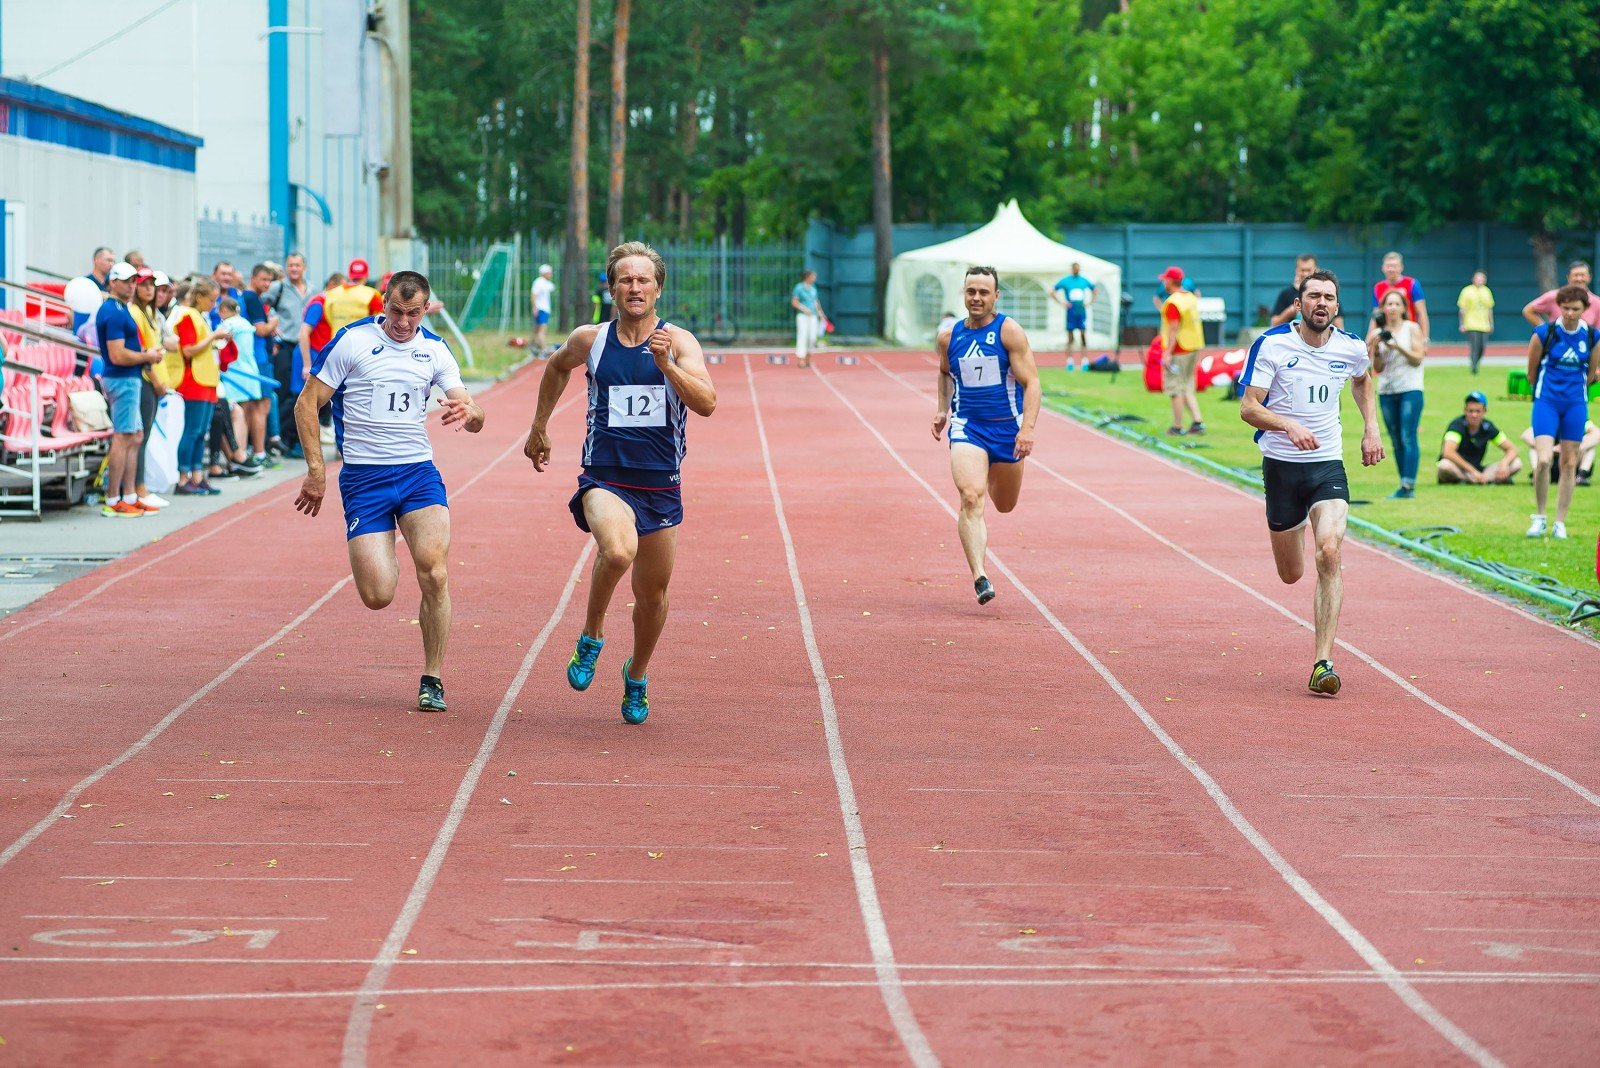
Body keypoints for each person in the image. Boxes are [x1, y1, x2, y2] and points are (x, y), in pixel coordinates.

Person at [524, 241, 717, 724]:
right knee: (617, 550)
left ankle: (637, 673)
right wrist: (539, 427)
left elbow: (708, 402)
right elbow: (555, 367)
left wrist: (667, 367)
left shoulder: (679, 341)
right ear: (612, 288)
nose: (635, 287)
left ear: (658, 288)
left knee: (652, 597)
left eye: (643, 280)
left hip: (661, 484)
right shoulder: (592, 340)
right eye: (625, 279)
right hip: (604, 477)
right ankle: (591, 637)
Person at [294, 270, 485, 713]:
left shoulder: (434, 349)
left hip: (418, 474)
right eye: (396, 311)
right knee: (378, 595)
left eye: (412, 313)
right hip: (364, 479)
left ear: (426, 309)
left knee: (435, 573)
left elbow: (474, 413)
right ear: (383, 304)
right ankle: (384, 544)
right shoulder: (352, 342)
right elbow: (307, 403)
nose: (402, 322)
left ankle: (432, 678)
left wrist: (471, 412)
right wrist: (316, 472)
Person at [1239, 269, 1384, 696]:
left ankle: (1323, 662)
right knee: (1290, 574)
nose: (1321, 303)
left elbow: (1362, 380)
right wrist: (1287, 426)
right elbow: (1249, 408)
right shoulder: (1272, 345)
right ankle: (1297, 525)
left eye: (1329, 297)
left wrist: (1370, 428)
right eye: (1314, 296)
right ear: (1299, 303)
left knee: (1329, 551)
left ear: (1337, 306)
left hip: (1326, 464)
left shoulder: (1352, 347)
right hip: (1282, 468)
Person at [930, 265, 1041, 606]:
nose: (976, 298)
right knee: (970, 497)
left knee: (1005, 505)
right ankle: (980, 575)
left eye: (983, 292)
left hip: (1007, 429)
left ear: (996, 296)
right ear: (963, 294)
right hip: (968, 426)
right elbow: (944, 373)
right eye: (970, 291)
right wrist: (942, 409)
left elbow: (1032, 383)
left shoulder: (1008, 332)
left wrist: (1027, 430)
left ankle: (992, 468)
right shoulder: (949, 337)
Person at [1524, 284, 1600, 539]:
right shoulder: (1544, 333)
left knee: (1569, 463)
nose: (1569, 313)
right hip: (1547, 402)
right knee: (1544, 459)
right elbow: (1531, 372)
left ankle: (1560, 522)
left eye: (1575, 309)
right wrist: (1546, 393)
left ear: (1584, 310)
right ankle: (1540, 516)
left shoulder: (1592, 336)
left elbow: (1591, 375)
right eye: (1565, 308)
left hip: (1575, 404)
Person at [94, 262, 166, 517]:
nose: (131, 285)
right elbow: (117, 355)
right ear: (112, 282)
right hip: (122, 378)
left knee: (134, 436)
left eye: (133, 281)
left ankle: (129, 495)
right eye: (126, 281)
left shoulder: (120, 309)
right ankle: (113, 499)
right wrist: (146, 356)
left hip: (129, 378)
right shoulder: (113, 311)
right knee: (124, 436)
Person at [165, 279, 226, 495]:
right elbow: (188, 350)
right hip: (194, 380)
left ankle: (197, 476)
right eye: (211, 299)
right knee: (192, 431)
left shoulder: (200, 317)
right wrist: (214, 336)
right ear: (199, 297)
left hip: (206, 379)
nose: (214, 304)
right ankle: (183, 478)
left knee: (201, 432)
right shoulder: (187, 316)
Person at [1367, 289, 1427, 498]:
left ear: (1404, 308)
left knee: (1408, 435)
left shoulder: (1412, 328)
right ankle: (1403, 484)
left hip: (1410, 388)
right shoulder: (1377, 333)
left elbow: (1418, 358)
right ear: (1383, 308)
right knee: (1395, 438)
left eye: (1396, 304)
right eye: (1388, 304)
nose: (1392, 308)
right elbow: (1377, 367)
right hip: (1387, 391)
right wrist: (1376, 349)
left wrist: (1396, 346)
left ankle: (1408, 485)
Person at [127, 268, 172, 510]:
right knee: (140, 436)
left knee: (144, 436)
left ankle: (140, 487)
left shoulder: (149, 313)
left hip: (155, 378)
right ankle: (138, 487)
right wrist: (156, 381)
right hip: (146, 379)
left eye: (151, 285)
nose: (149, 289)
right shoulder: (135, 313)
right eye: (144, 284)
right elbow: (145, 352)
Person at [265, 252, 312, 457]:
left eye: (297, 265)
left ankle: (295, 439)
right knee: (284, 394)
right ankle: (283, 439)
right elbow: (262, 305)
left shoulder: (312, 290)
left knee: (301, 395)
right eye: (290, 265)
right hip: (285, 345)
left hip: (304, 348)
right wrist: (271, 324)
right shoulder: (279, 287)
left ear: (304, 267)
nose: (294, 269)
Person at [1159, 265, 1205, 435]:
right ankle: (1197, 422)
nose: (1163, 282)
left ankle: (1177, 426)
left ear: (1170, 281)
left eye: (1165, 279)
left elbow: (1173, 329)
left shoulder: (1173, 302)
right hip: (1193, 346)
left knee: (1175, 388)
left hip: (1179, 349)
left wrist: (1167, 353)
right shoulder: (1190, 297)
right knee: (1187, 386)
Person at [1437, 392, 1521, 484]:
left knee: (1516, 463)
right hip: (1459, 468)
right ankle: (1484, 480)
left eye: (1478, 411)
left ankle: (1476, 480)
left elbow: (1513, 449)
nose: (1474, 415)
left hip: (1479, 470)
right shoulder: (1456, 426)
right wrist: (1472, 471)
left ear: (1484, 411)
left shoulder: (1487, 427)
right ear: (1465, 411)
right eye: (1470, 411)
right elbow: (1448, 452)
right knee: (1444, 465)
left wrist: (1504, 464)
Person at [1522, 260, 1600, 331]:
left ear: (1589, 277)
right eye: (1575, 275)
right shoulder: (1555, 296)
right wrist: (1546, 330)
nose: (1579, 279)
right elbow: (1528, 310)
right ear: (1568, 277)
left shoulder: (1597, 303)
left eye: (1582, 275)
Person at [1521, 421, 1597, 487]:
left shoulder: (1578, 417)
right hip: (1551, 462)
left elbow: (1596, 434)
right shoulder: (1548, 419)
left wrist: (1573, 449)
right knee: (1533, 448)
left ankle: (1581, 476)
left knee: (1590, 446)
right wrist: (1551, 449)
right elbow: (1526, 435)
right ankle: (1537, 476)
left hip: (1571, 462)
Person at [1372, 251, 1429, 339]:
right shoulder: (1378, 287)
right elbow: (1376, 315)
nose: (1391, 269)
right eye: (1388, 266)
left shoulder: (1412, 284)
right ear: (1383, 268)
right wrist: (1370, 338)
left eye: (1394, 266)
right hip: (1387, 334)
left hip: (1409, 333)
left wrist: (1425, 338)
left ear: (1401, 267)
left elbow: (1422, 313)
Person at [323, 258, 384, 335]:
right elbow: (382, 316)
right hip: (360, 341)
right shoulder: (370, 294)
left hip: (337, 340)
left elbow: (328, 317)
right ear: (367, 275)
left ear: (349, 274)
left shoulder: (331, 294)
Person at [1051, 262, 1097, 362]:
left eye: (1078, 268)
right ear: (1072, 269)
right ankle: (1070, 361)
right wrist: (1062, 303)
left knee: (1083, 335)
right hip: (1071, 311)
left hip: (1081, 310)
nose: (1076, 270)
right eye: (1075, 268)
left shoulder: (1083, 280)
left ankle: (1084, 360)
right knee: (1070, 336)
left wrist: (1089, 302)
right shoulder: (1066, 281)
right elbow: (1052, 291)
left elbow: (1095, 289)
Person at [1456, 270, 1494, 374]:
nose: (1480, 280)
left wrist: (1491, 324)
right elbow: (1462, 309)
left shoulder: (1487, 291)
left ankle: (1476, 362)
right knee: (1475, 346)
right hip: (1471, 324)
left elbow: (1489, 309)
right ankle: (1474, 367)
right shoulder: (1466, 291)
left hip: (1484, 324)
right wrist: (1462, 323)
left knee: (1482, 347)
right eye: (1478, 278)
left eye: (1482, 278)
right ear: (1473, 279)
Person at [1269, 255, 1319, 327]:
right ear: (1296, 270)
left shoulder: (1325, 293)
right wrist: (1289, 312)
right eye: (1302, 270)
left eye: (1308, 270)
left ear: (1316, 270)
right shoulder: (1285, 294)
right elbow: (1273, 324)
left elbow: (1338, 326)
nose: (1305, 274)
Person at [791, 269, 826, 368]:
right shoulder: (799, 288)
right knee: (802, 336)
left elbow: (816, 302)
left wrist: (820, 313)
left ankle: (808, 357)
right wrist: (804, 309)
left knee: (812, 337)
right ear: (807, 277)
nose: (815, 278)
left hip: (813, 316)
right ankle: (801, 359)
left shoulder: (813, 289)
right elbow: (794, 302)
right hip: (802, 316)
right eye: (813, 276)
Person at [531, 263, 556, 355]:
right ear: (544, 273)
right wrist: (534, 307)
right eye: (549, 272)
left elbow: (552, 287)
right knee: (542, 330)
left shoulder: (545, 283)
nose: (551, 274)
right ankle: (543, 350)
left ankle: (533, 347)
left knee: (536, 329)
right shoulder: (539, 282)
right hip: (541, 309)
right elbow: (533, 295)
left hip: (544, 309)